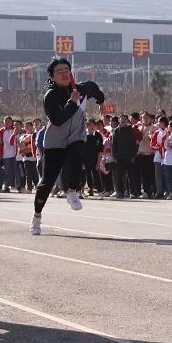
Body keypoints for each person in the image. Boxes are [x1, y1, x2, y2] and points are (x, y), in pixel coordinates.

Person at [29, 58, 104, 235]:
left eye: (66, 70)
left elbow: (96, 91)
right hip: (54, 143)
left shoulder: (83, 88)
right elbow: (58, 119)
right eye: (59, 71)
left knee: (77, 154)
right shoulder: (51, 96)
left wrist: (100, 101)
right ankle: (36, 217)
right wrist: (72, 102)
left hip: (76, 137)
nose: (63, 73)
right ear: (52, 77)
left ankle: (72, 189)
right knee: (46, 183)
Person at [0, 116, 18, 192]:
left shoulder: (14, 129)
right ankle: (6, 185)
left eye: (9, 121)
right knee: (7, 170)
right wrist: (0, 153)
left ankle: (15, 185)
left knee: (15, 170)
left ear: (12, 122)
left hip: (15, 153)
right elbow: (1, 143)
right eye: (5, 121)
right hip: (6, 154)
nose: (7, 123)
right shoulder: (2, 130)